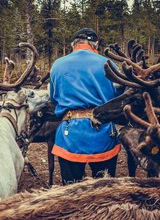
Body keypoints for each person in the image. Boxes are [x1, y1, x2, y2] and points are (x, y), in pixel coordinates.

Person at [49, 28, 122, 185]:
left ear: (73, 44)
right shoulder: (108, 64)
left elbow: (54, 98)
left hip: (70, 136)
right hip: (103, 134)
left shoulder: (57, 65)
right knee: (105, 192)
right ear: (95, 45)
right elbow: (120, 97)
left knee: (71, 192)